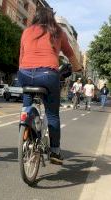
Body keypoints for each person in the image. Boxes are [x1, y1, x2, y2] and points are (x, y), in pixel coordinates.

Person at [17, 7, 82, 165]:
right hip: (47, 75)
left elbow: (21, 57)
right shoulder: (57, 31)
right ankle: (54, 151)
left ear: (35, 17)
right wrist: (78, 68)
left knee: (26, 109)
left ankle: (26, 135)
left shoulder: (27, 31)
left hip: (24, 74)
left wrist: (23, 74)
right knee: (52, 115)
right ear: (51, 18)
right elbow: (70, 54)